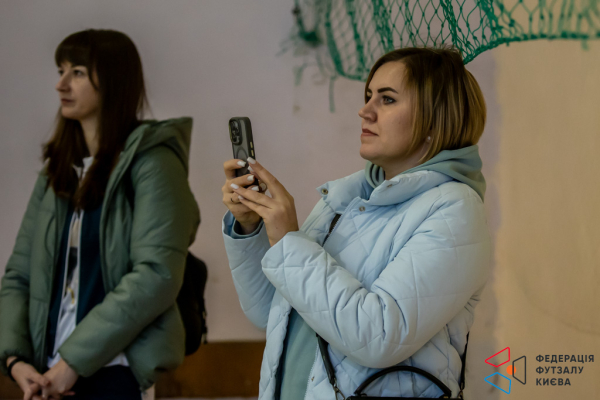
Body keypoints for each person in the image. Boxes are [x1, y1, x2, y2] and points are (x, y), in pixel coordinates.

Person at [221, 47, 491, 399]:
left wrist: (289, 241)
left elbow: (378, 336)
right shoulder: (344, 199)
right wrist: (250, 228)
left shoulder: (455, 210)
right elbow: (271, 314)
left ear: (435, 119)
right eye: (368, 96)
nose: (365, 111)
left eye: (387, 99)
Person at [0, 29, 199, 400]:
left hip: (115, 372)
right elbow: (19, 276)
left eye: (77, 72)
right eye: (60, 71)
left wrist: (72, 363)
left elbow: (156, 274)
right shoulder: (58, 171)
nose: (61, 84)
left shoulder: (153, 163)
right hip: (47, 373)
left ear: (113, 81)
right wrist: (15, 359)